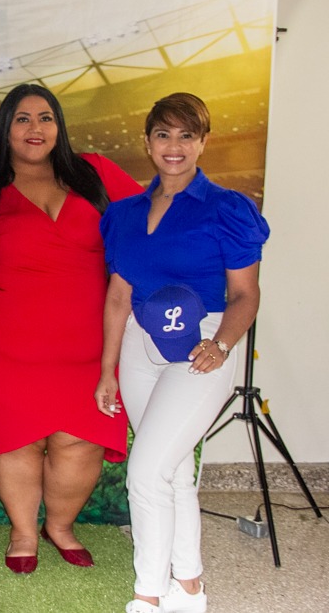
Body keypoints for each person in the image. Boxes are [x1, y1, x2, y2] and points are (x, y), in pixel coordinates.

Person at [0, 83, 143, 574]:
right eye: (22, 119)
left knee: (79, 439)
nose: (34, 128)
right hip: (1, 345)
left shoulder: (95, 172)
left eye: (45, 117)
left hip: (89, 345)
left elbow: (150, 220)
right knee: (15, 439)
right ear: (5, 129)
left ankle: (60, 526)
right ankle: (23, 531)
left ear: (60, 126)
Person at [95, 93, 269, 613]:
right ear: (148, 142)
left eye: (187, 135)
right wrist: (107, 369)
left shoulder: (227, 208)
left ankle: (148, 594)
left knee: (146, 471)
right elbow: (118, 297)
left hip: (202, 342)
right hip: (139, 342)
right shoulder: (124, 214)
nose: (175, 146)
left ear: (203, 142)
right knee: (171, 474)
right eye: (164, 134)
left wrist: (221, 344)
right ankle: (189, 586)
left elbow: (246, 294)